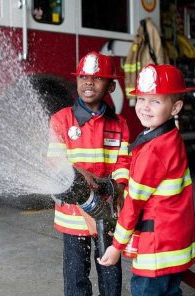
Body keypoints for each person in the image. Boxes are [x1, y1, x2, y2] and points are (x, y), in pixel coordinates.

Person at [98, 64, 195, 296]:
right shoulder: (170, 137)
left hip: (157, 251)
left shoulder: (154, 150)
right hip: (175, 243)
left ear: (176, 107)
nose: (144, 107)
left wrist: (116, 247)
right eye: (141, 99)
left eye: (155, 101)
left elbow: (134, 204)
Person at [47, 51, 131, 296]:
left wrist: (119, 188)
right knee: (75, 277)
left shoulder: (119, 125)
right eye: (83, 76)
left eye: (97, 78)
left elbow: (123, 161)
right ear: (76, 80)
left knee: (110, 271)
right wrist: (76, 172)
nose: (88, 83)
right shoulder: (61, 120)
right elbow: (53, 161)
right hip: (72, 218)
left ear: (111, 85)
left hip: (107, 215)